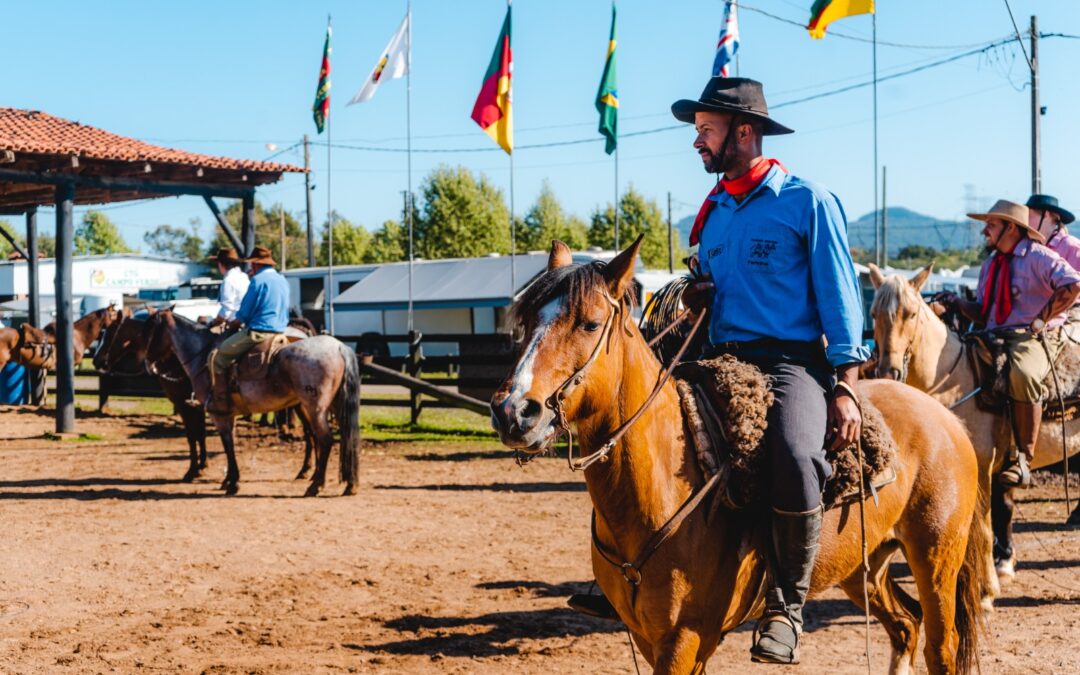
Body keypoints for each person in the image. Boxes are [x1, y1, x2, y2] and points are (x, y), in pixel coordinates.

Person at [670, 77, 868, 664]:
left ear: (745, 132)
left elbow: (840, 296)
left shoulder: (807, 200)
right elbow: (711, 290)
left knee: (797, 453)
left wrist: (847, 387)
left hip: (790, 361)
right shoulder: (713, 213)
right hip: (717, 356)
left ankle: (786, 605)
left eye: (706, 130)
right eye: (699, 131)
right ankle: (633, 573)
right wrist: (698, 294)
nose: (697, 142)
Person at [937, 200, 1080, 488]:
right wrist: (956, 303)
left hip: (1032, 337)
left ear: (1010, 227)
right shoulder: (990, 265)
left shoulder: (1040, 256)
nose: (984, 232)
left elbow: (1073, 285)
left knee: (1024, 374)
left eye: (990, 225)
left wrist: (1041, 319)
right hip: (992, 334)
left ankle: (1024, 459)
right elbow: (984, 310)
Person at [206, 246, 291, 414]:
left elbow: (244, 313)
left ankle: (220, 399)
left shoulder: (258, 281)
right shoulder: (282, 280)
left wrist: (234, 324)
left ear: (256, 264)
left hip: (259, 331)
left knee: (216, 356)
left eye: (252, 264)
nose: (251, 268)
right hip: (281, 330)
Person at [207, 247, 250, 325]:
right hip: (246, 320)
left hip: (235, 323)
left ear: (221, 264)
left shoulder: (228, 280)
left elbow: (226, 310)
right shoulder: (244, 276)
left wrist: (214, 322)